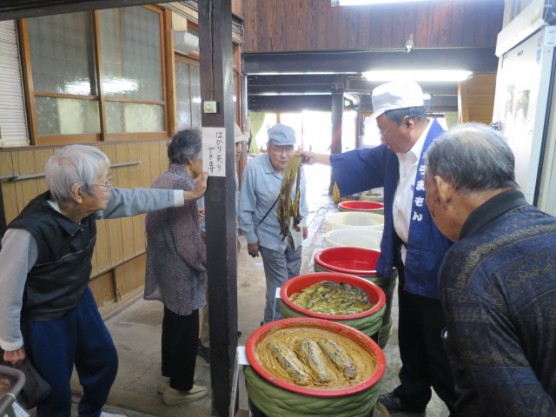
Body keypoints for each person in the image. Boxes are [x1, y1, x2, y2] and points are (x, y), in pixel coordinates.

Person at [0, 144, 207, 417]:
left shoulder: (89, 206)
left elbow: (138, 199)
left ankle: (92, 413)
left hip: (78, 298)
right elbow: (6, 289)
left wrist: (189, 194)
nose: (111, 187)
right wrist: (11, 341)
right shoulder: (27, 232)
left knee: (103, 361)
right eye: (105, 182)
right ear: (78, 192)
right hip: (43, 316)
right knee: (55, 389)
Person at [300, 81, 457, 414]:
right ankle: (410, 398)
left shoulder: (450, 152)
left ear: (408, 123)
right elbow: (359, 160)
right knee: (411, 340)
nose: (382, 140)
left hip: (442, 271)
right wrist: (313, 157)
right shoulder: (394, 152)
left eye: (384, 130)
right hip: (408, 261)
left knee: (442, 351)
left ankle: (458, 406)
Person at [425, 123, 556, 417]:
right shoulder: (550, 225)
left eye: (427, 187)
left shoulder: (470, 263)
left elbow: (515, 407)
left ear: (443, 187)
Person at [144, 129, 209, 405]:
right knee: (185, 329)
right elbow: (186, 242)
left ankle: (169, 377)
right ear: (191, 158)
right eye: (203, 155)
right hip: (180, 271)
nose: (204, 161)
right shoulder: (184, 185)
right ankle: (180, 389)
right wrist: (205, 262)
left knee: (172, 323)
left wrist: (194, 215)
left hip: (164, 265)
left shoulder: (164, 178)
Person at [239, 123, 309, 325]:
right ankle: (271, 327)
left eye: (288, 148)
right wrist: (251, 239)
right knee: (279, 286)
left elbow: (301, 198)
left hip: (294, 237)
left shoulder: (296, 167)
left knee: (293, 283)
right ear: (268, 147)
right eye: (278, 149)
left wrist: (303, 223)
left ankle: (287, 323)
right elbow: (245, 208)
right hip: (269, 239)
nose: (284, 155)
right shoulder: (254, 169)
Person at [197, 123, 248, 363]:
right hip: (211, 237)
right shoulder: (208, 169)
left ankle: (224, 329)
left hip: (228, 235)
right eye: (234, 144)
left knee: (227, 286)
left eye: (240, 144)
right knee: (213, 290)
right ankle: (207, 340)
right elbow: (200, 210)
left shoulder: (230, 167)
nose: (239, 149)